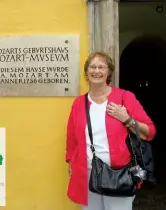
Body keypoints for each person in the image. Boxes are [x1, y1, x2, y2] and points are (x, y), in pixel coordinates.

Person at [65, 52, 156, 210]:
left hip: (118, 174)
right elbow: (72, 137)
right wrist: (71, 163)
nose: (96, 71)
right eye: (92, 66)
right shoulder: (79, 104)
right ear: (87, 71)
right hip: (88, 173)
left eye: (101, 67)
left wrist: (126, 119)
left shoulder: (124, 98)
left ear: (109, 72)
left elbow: (150, 132)